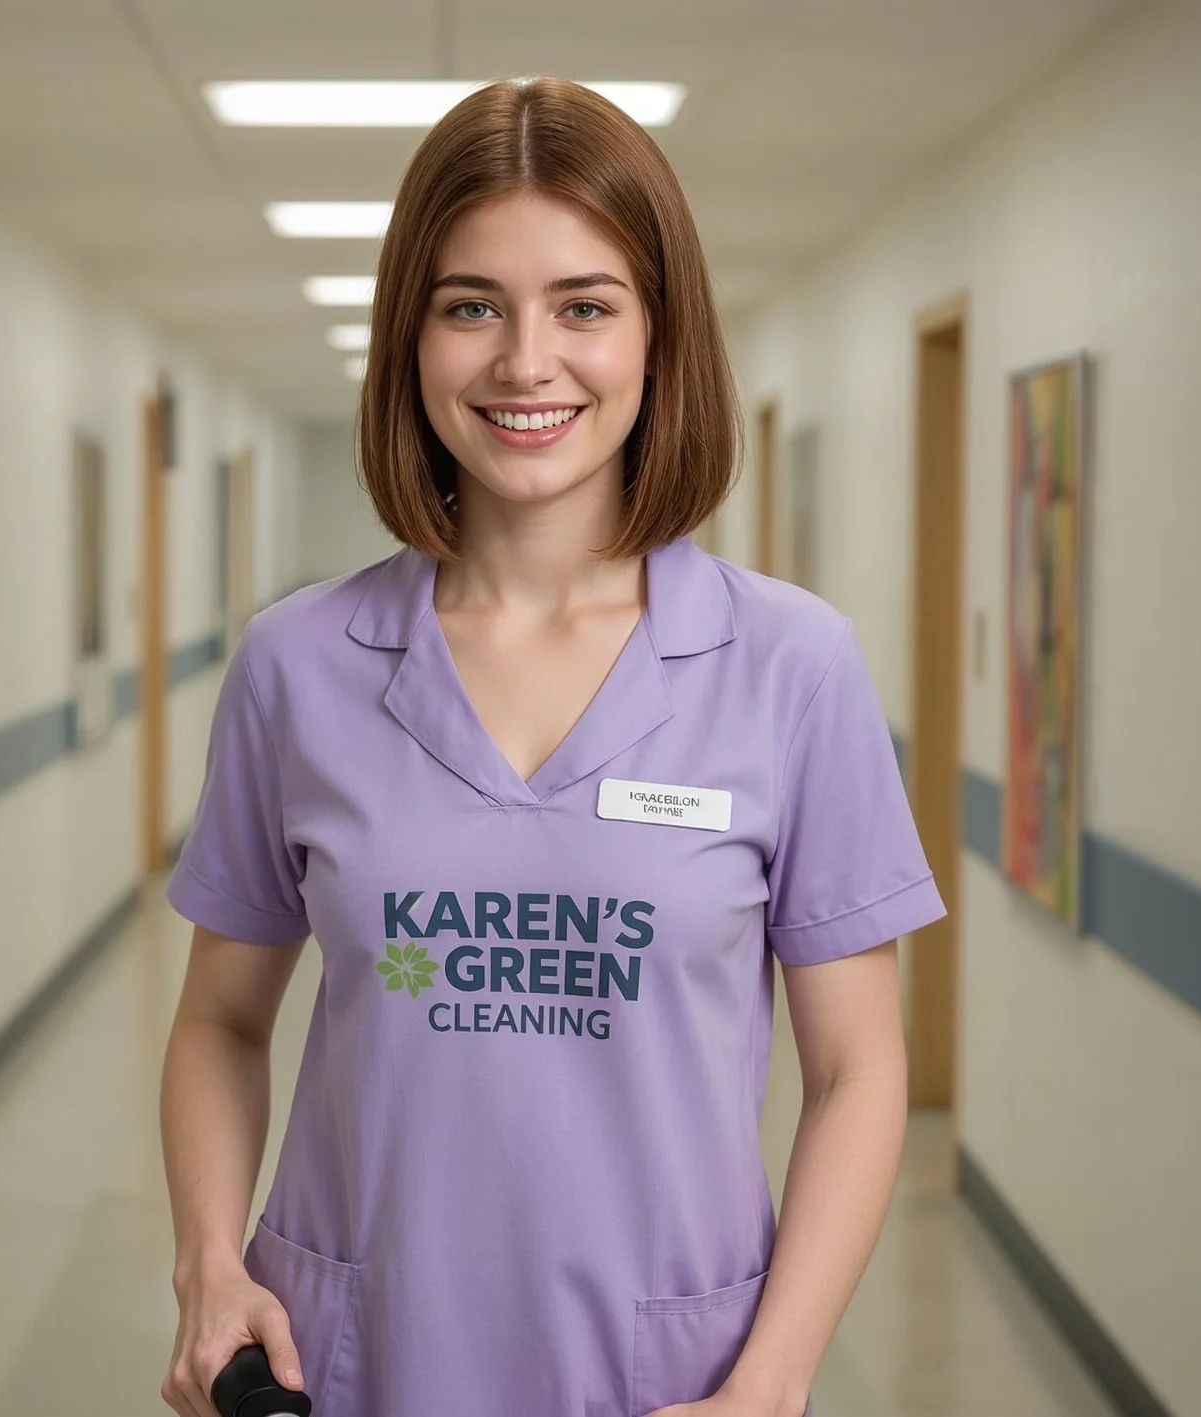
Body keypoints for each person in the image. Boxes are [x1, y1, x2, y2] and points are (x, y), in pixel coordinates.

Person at [158, 76, 945, 1417]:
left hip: (670, 1375)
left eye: (585, 305)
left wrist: (775, 1381)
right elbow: (221, 1022)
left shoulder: (789, 667)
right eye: (473, 306)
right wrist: (205, 1269)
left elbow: (861, 1070)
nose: (528, 362)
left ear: (659, 338)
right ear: (410, 338)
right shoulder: (298, 666)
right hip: (351, 1362)